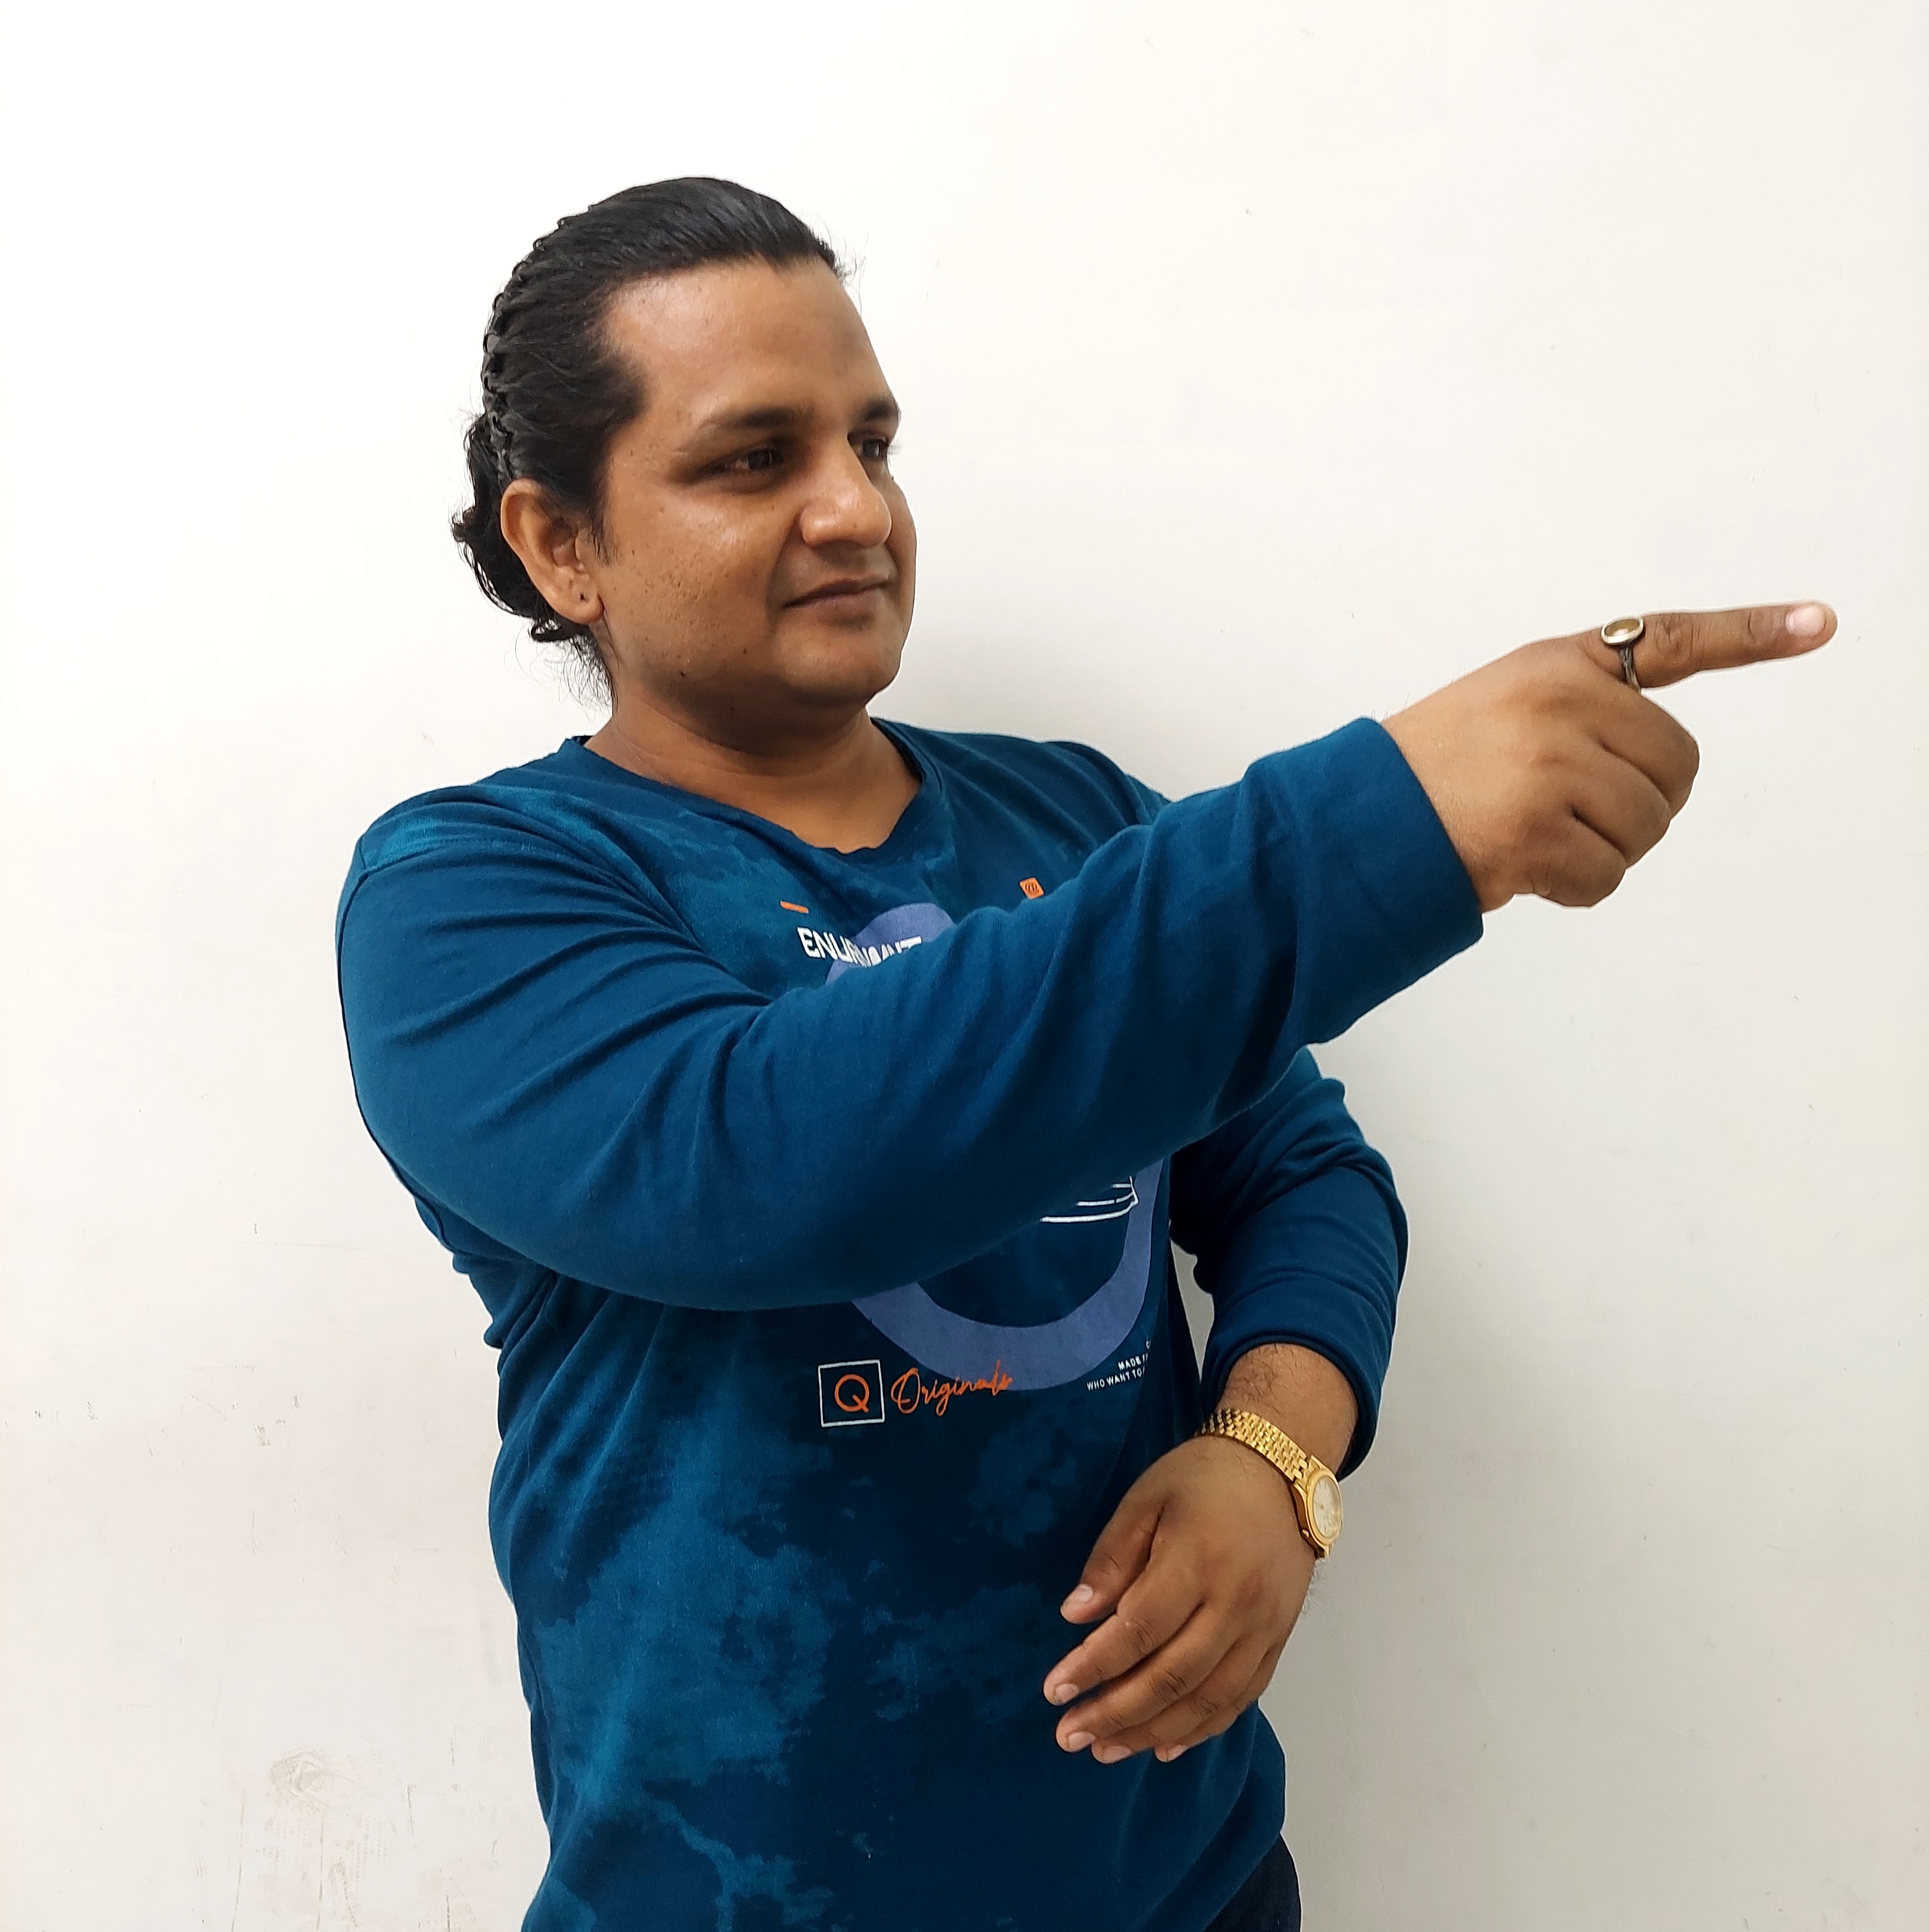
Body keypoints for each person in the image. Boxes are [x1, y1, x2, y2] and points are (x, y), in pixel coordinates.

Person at [333, 178, 1832, 1932]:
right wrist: (1372, 829)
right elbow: (764, 1166)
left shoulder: (1074, 819)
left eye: (872, 443)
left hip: (1189, 1885)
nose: (855, 508)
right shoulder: (473, 890)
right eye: (753, 459)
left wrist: (1274, 1453)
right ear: (560, 543)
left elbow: (1298, 1173)